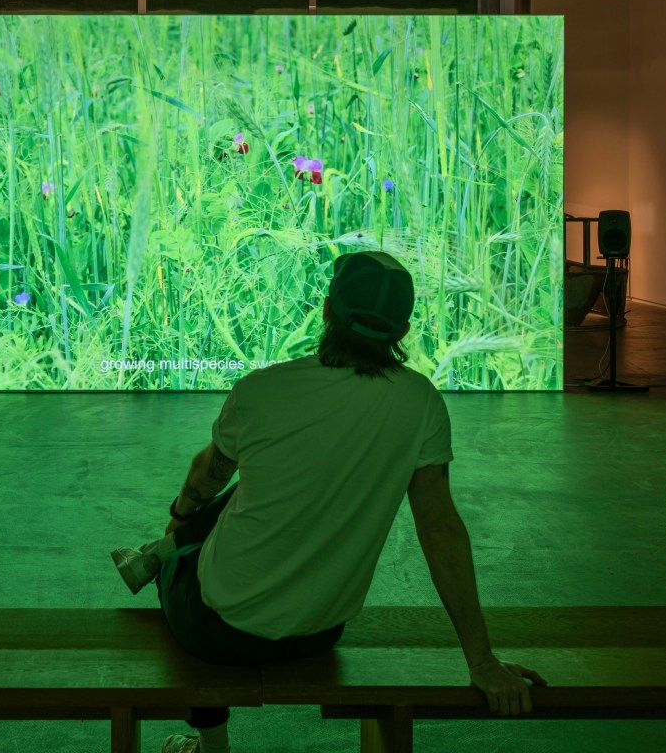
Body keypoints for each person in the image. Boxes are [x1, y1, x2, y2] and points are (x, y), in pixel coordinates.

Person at [111, 250, 545, 753]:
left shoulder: (262, 390)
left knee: (209, 530)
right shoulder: (421, 402)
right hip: (321, 629)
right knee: (242, 497)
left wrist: (179, 520)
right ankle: (166, 551)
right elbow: (440, 529)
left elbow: (205, 477)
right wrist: (482, 660)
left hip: (217, 630)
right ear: (402, 330)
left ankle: (163, 567)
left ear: (326, 312)